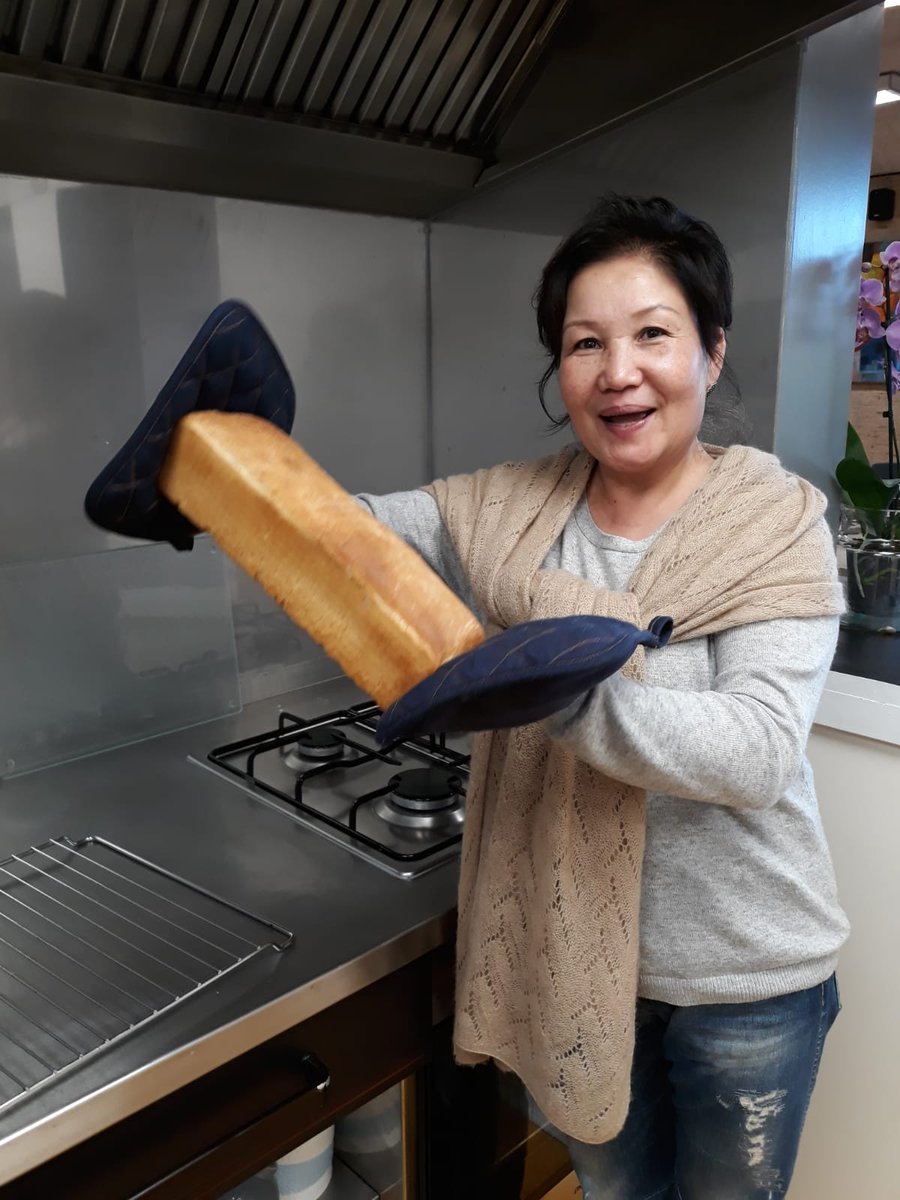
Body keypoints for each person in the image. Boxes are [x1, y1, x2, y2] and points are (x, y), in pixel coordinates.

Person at [358, 194, 848, 1200]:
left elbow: (754, 753)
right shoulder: (509, 506)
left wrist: (554, 689)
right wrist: (222, 471)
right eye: (585, 344)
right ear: (559, 371)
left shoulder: (776, 526)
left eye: (652, 335)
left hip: (742, 990)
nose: (617, 372)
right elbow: (353, 535)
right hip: (575, 975)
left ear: (711, 351)